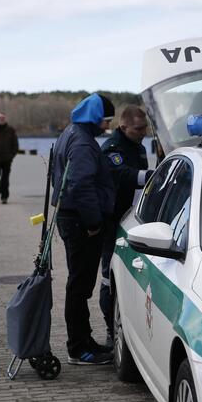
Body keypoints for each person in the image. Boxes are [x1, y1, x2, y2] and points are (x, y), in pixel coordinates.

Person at [51, 93, 115, 365]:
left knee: (80, 285)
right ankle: (78, 348)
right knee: (79, 286)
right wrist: (93, 222)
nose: (107, 126)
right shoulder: (83, 143)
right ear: (96, 117)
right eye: (107, 120)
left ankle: (84, 340)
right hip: (79, 222)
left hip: (71, 217)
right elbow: (80, 185)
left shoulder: (72, 133)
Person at [99, 105, 153, 345]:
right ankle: (112, 330)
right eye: (139, 128)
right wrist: (153, 175)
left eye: (145, 128)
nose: (143, 132)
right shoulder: (113, 149)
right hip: (111, 222)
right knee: (109, 278)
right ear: (123, 127)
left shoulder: (138, 147)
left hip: (132, 221)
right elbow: (121, 175)